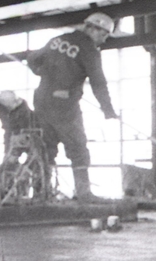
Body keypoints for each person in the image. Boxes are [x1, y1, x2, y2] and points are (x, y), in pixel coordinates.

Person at [27, 11, 119, 201]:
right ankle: (84, 193)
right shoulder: (89, 49)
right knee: (78, 149)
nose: (103, 40)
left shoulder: (58, 39)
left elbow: (32, 59)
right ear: (94, 29)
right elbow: (98, 82)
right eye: (104, 35)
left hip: (41, 101)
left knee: (46, 148)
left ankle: (40, 194)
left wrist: (43, 73)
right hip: (64, 105)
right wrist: (108, 109)